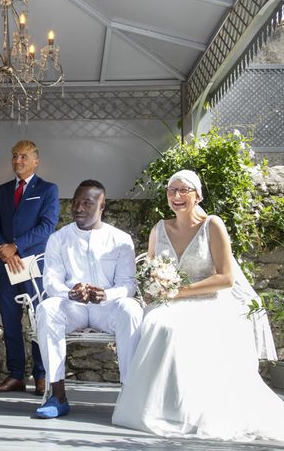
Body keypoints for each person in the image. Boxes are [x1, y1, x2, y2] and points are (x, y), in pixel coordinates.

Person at [112, 170, 284, 441]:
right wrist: (156, 285)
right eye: (171, 191)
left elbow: (226, 278)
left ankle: (192, 409)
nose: (176, 196)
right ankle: (160, 407)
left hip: (209, 300)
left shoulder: (212, 225)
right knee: (156, 322)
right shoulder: (159, 229)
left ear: (198, 195)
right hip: (169, 300)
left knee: (178, 328)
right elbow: (150, 272)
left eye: (183, 190)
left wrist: (179, 292)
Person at [34, 180, 142, 419]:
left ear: (102, 206)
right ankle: (57, 394)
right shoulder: (59, 239)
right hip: (74, 307)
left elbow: (128, 283)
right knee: (47, 308)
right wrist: (69, 293)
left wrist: (108, 294)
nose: (79, 208)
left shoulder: (121, 239)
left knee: (131, 310)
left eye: (87, 203)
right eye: (75, 202)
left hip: (108, 309)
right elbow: (51, 282)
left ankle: (129, 395)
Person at [0, 140, 60, 395]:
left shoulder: (48, 190)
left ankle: (41, 375)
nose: (18, 161)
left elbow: (46, 227)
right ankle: (16, 375)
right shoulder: (1, 191)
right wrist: (3, 250)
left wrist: (15, 246)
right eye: (15, 156)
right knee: (10, 321)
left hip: (33, 264)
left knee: (38, 319)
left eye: (24, 157)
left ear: (36, 161)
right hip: (6, 264)